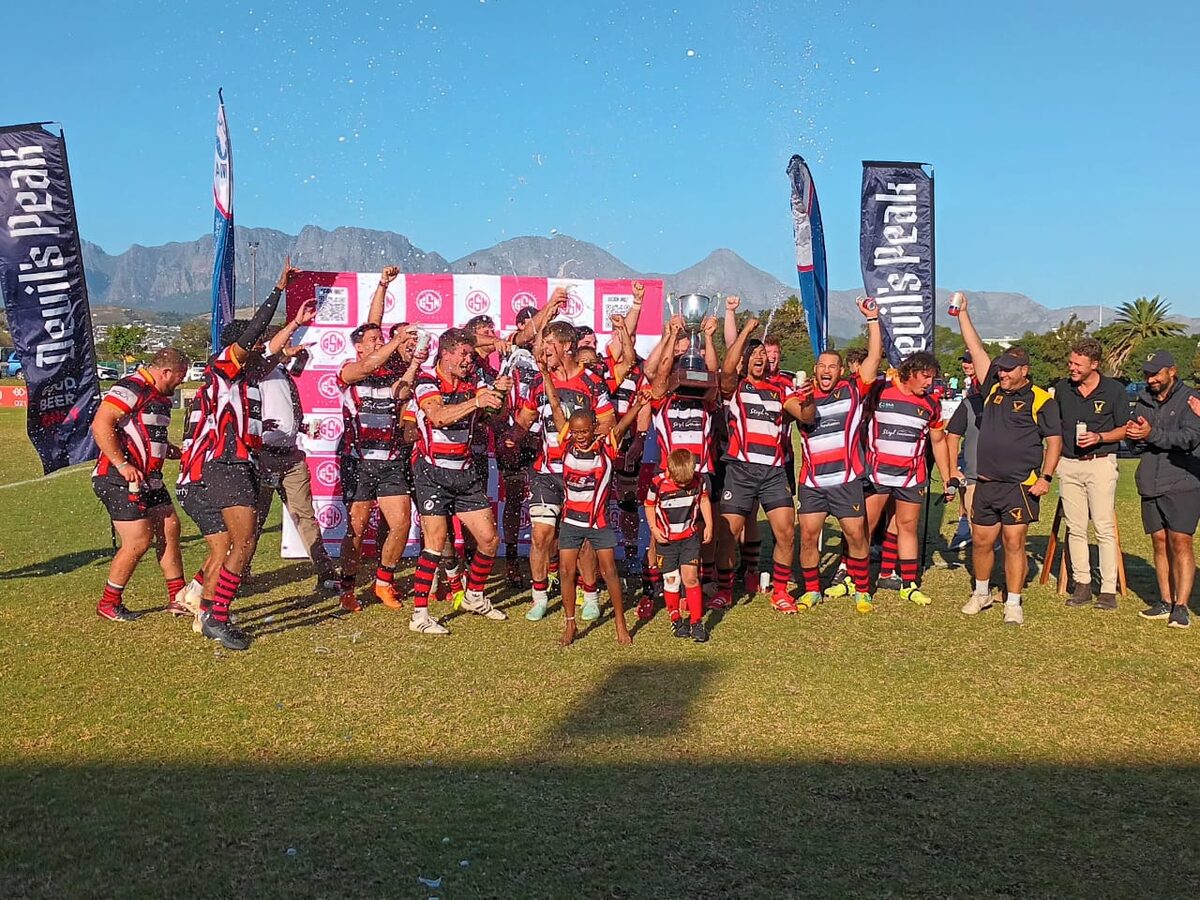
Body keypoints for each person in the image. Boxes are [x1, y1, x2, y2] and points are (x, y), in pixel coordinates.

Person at [176, 258, 310, 650]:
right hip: (226, 465)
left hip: (241, 464)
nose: (264, 349)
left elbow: (272, 350)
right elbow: (256, 339)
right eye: (255, 345)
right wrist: (278, 290)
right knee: (243, 543)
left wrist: (295, 323)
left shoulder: (249, 373)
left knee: (241, 544)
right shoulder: (225, 367)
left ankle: (212, 612)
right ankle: (215, 617)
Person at [955, 292, 1062, 626]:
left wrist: (1045, 477)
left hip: (1020, 485)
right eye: (1000, 369)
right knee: (982, 541)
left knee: (1014, 542)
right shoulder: (992, 390)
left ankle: (1013, 601)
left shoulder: (1042, 399)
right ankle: (982, 592)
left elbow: (1055, 441)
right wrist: (962, 315)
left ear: (1024, 370)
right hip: (986, 482)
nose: (1002, 373)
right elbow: (977, 350)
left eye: (1009, 370)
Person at [506, 311, 615, 622]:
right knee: (541, 535)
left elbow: (608, 421)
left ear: (568, 346)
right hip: (546, 472)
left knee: (582, 540)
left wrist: (589, 441)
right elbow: (525, 419)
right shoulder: (540, 381)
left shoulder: (592, 381)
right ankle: (539, 596)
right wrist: (512, 437)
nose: (544, 350)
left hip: (581, 472)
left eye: (550, 344)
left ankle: (590, 595)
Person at [408, 328, 512, 634]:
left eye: (471, 353)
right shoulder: (427, 380)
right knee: (436, 543)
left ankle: (474, 596)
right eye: (463, 354)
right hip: (432, 472)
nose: (469, 359)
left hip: (464, 472)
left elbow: (493, 416)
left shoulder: (473, 383)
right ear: (446, 354)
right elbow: (438, 417)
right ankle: (419, 615)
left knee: (489, 540)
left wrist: (499, 395)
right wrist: (477, 401)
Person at [718, 313, 816, 612]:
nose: (759, 357)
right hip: (740, 469)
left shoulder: (780, 387)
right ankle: (724, 590)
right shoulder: (735, 386)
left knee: (786, 531)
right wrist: (747, 330)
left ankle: (781, 590)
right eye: (753, 354)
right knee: (728, 533)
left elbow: (806, 417)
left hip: (774, 472)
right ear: (745, 360)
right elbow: (726, 370)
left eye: (763, 354)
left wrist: (808, 400)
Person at [544, 373, 647, 646]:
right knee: (567, 572)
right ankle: (570, 625)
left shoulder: (606, 448)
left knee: (610, 572)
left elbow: (623, 426)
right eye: (575, 431)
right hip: (570, 522)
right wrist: (545, 375)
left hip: (598, 522)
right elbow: (555, 407)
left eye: (584, 431)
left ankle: (620, 624)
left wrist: (637, 405)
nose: (579, 436)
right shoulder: (566, 446)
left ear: (594, 428)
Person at [795, 298, 882, 612]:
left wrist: (872, 319)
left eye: (832, 366)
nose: (826, 370)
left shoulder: (853, 390)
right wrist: (804, 401)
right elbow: (799, 413)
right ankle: (812, 590)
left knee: (856, 534)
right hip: (813, 482)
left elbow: (874, 356)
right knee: (807, 536)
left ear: (842, 370)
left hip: (846, 480)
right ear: (815, 369)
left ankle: (861, 589)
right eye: (822, 365)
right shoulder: (803, 394)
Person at [91, 348, 190, 622]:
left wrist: (176, 452)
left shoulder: (159, 397)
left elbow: (146, 437)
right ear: (166, 372)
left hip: (149, 478)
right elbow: (101, 424)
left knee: (169, 528)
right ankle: (109, 603)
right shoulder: (131, 387)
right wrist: (123, 465)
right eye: (180, 376)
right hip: (118, 477)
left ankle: (178, 597)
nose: (182, 382)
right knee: (139, 540)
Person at [335, 308, 424, 613]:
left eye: (381, 338)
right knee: (356, 530)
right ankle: (346, 587)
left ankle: (383, 581)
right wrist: (396, 339)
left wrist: (413, 364)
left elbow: (401, 393)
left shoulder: (390, 371)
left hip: (390, 461)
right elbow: (365, 367)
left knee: (400, 524)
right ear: (358, 346)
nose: (379, 342)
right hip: (358, 462)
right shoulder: (348, 368)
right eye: (373, 339)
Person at [863, 352, 953, 605]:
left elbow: (938, 442)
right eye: (925, 377)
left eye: (932, 378)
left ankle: (909, 583)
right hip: (877, 473)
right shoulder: (880, 390)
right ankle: (851, 576)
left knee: (907, 526)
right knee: (865, 526)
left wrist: (947, 477)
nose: (929, 383)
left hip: (912, 477)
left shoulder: (932, 405)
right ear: (909, 373)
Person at [254, 331, 338, 593]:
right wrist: (285, 348)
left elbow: (282, 407)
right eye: (284, 344)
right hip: (264, 455)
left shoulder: (280, 370)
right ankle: (235, 572)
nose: (289, 348)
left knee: (305, 515)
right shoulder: (255, 367)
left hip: (290, 453)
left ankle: (325, 573)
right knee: (253, 518)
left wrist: (299, 427)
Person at [1052, 338, 1129, 610]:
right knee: (1075, 527)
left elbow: (1124, 429)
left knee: (1104, 527)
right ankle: (1082, 584)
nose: (1071, 368)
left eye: (1077, 364)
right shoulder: (1063, 388)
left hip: (1101, 463)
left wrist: (1100, 437)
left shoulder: (1114, 390)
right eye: (1070, 362)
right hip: (1069, 464)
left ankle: (1108, 589)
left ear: (1094, 365)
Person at [1128, 350, 1200, 629]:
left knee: (1181, 541)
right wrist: (1135, 438)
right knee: (1158, 541)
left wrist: (1151, 435)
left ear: (1172, 371)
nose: (1151, 379)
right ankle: (1165, 600)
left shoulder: (1191, 399)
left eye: (1156, 373)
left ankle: (1181, 607)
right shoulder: (1144, 399)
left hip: (1183, 482)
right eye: (1147, 374)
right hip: (1150, 480)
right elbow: (1137, 437)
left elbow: (1189, 439)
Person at [645, 448, 714, 642]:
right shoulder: (658, 483)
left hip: (689, 537)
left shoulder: (699, 480)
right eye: (679, 483)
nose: (684, 485)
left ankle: (696, 622)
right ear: (670, 470)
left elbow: (703, 499)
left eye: (687, 483)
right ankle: (675, 618)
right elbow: (649, 505)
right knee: (672, 580)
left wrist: (709, 523)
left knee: (690, 578)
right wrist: (654, 529)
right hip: (667, 541)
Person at [945, 354, 982, 552]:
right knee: (963, 485)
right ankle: (963, 526)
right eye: (964, 361)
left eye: (970, 361)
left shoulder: (982, 384)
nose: (966, 364)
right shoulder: (970, 383)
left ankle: (966, 528)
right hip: (968, 444)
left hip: (980, 448)